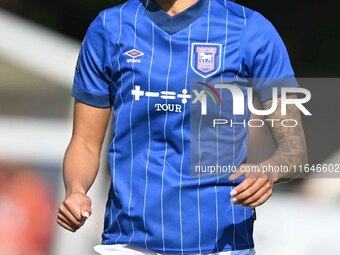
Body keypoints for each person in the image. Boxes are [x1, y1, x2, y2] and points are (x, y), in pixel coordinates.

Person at [57, 0, 308, 254]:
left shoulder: (250, 28)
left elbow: (295, 149)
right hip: (128, 244)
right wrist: (76, 190)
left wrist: (268, 171)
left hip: (223, 246)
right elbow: (85, 142)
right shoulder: (111, 27)